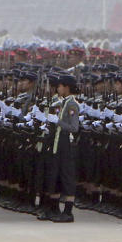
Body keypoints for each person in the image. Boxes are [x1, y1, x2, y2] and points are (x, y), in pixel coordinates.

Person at [40, 74, 79, 222]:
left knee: (67, 177)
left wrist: (58, 121)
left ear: (67, 87)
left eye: (60, 86)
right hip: (56, 144)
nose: (58, 89)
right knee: (54, 176)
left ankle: (68, 211)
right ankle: (53, 208)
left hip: (66, 144)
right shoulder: (62, 103)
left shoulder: (72, 104)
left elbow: (74, 127)